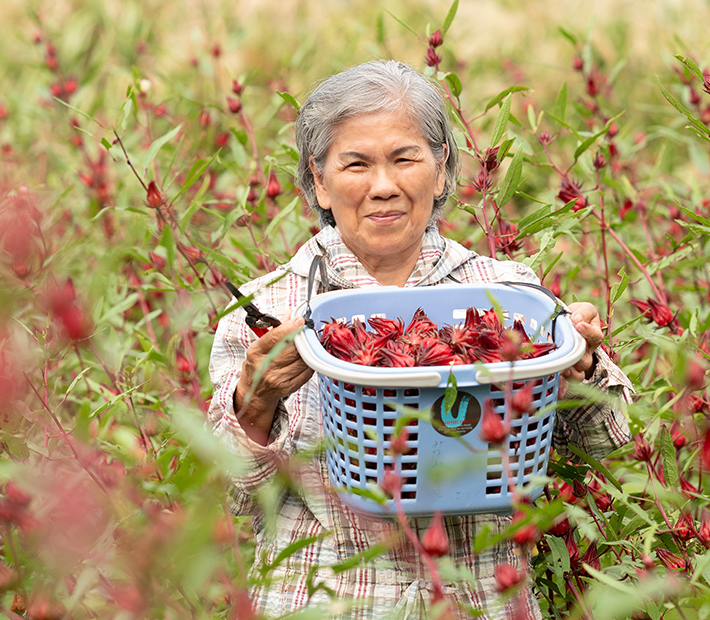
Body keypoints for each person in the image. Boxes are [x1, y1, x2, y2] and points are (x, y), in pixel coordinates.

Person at [207, 59, 634, 619]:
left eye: (405, 158)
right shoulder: (271, 313)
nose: (383, 186)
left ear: (441, 169)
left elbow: (611, 451)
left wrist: (577, 362)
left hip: (478, 600)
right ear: (319, 181)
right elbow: (230, 495)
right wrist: (257, 400)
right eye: (356, 164)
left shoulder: (508, 296)